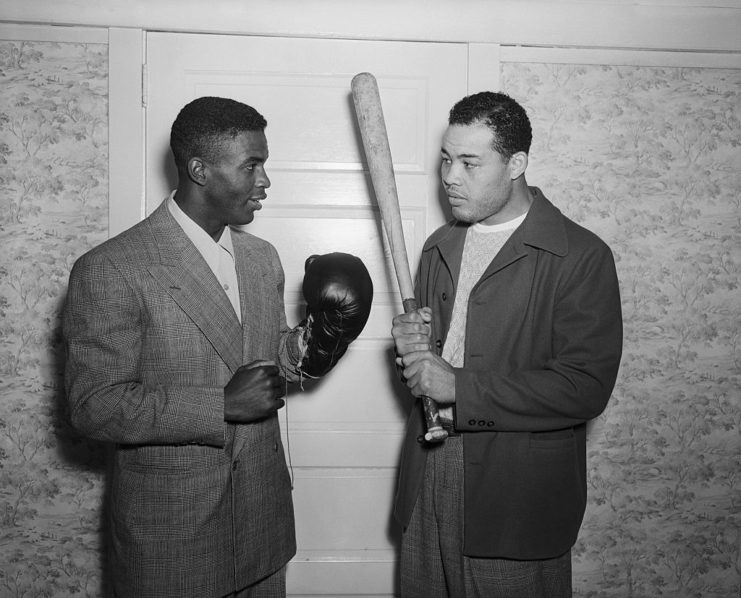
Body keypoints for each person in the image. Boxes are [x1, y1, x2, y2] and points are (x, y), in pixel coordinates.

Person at [63, 96, 372, 597]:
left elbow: (271, 361)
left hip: (262, 526)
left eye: (263, 165)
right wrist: (221, 405)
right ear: (199, 169)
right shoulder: (112, 267)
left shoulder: (261, 257)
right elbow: (92, 406)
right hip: (172, 536)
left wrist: (319, 343)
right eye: (252, 165)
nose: (265, 180)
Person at [390, 91, 622, 597]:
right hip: (427, 473)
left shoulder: (579, 256)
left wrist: (459, 386)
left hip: (516, 493)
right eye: (447, 159)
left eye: (470, 163)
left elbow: (584, 389)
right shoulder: (439, 245)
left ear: (516, 163)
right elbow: (425, 376)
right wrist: (410, 353)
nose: (450, 176)